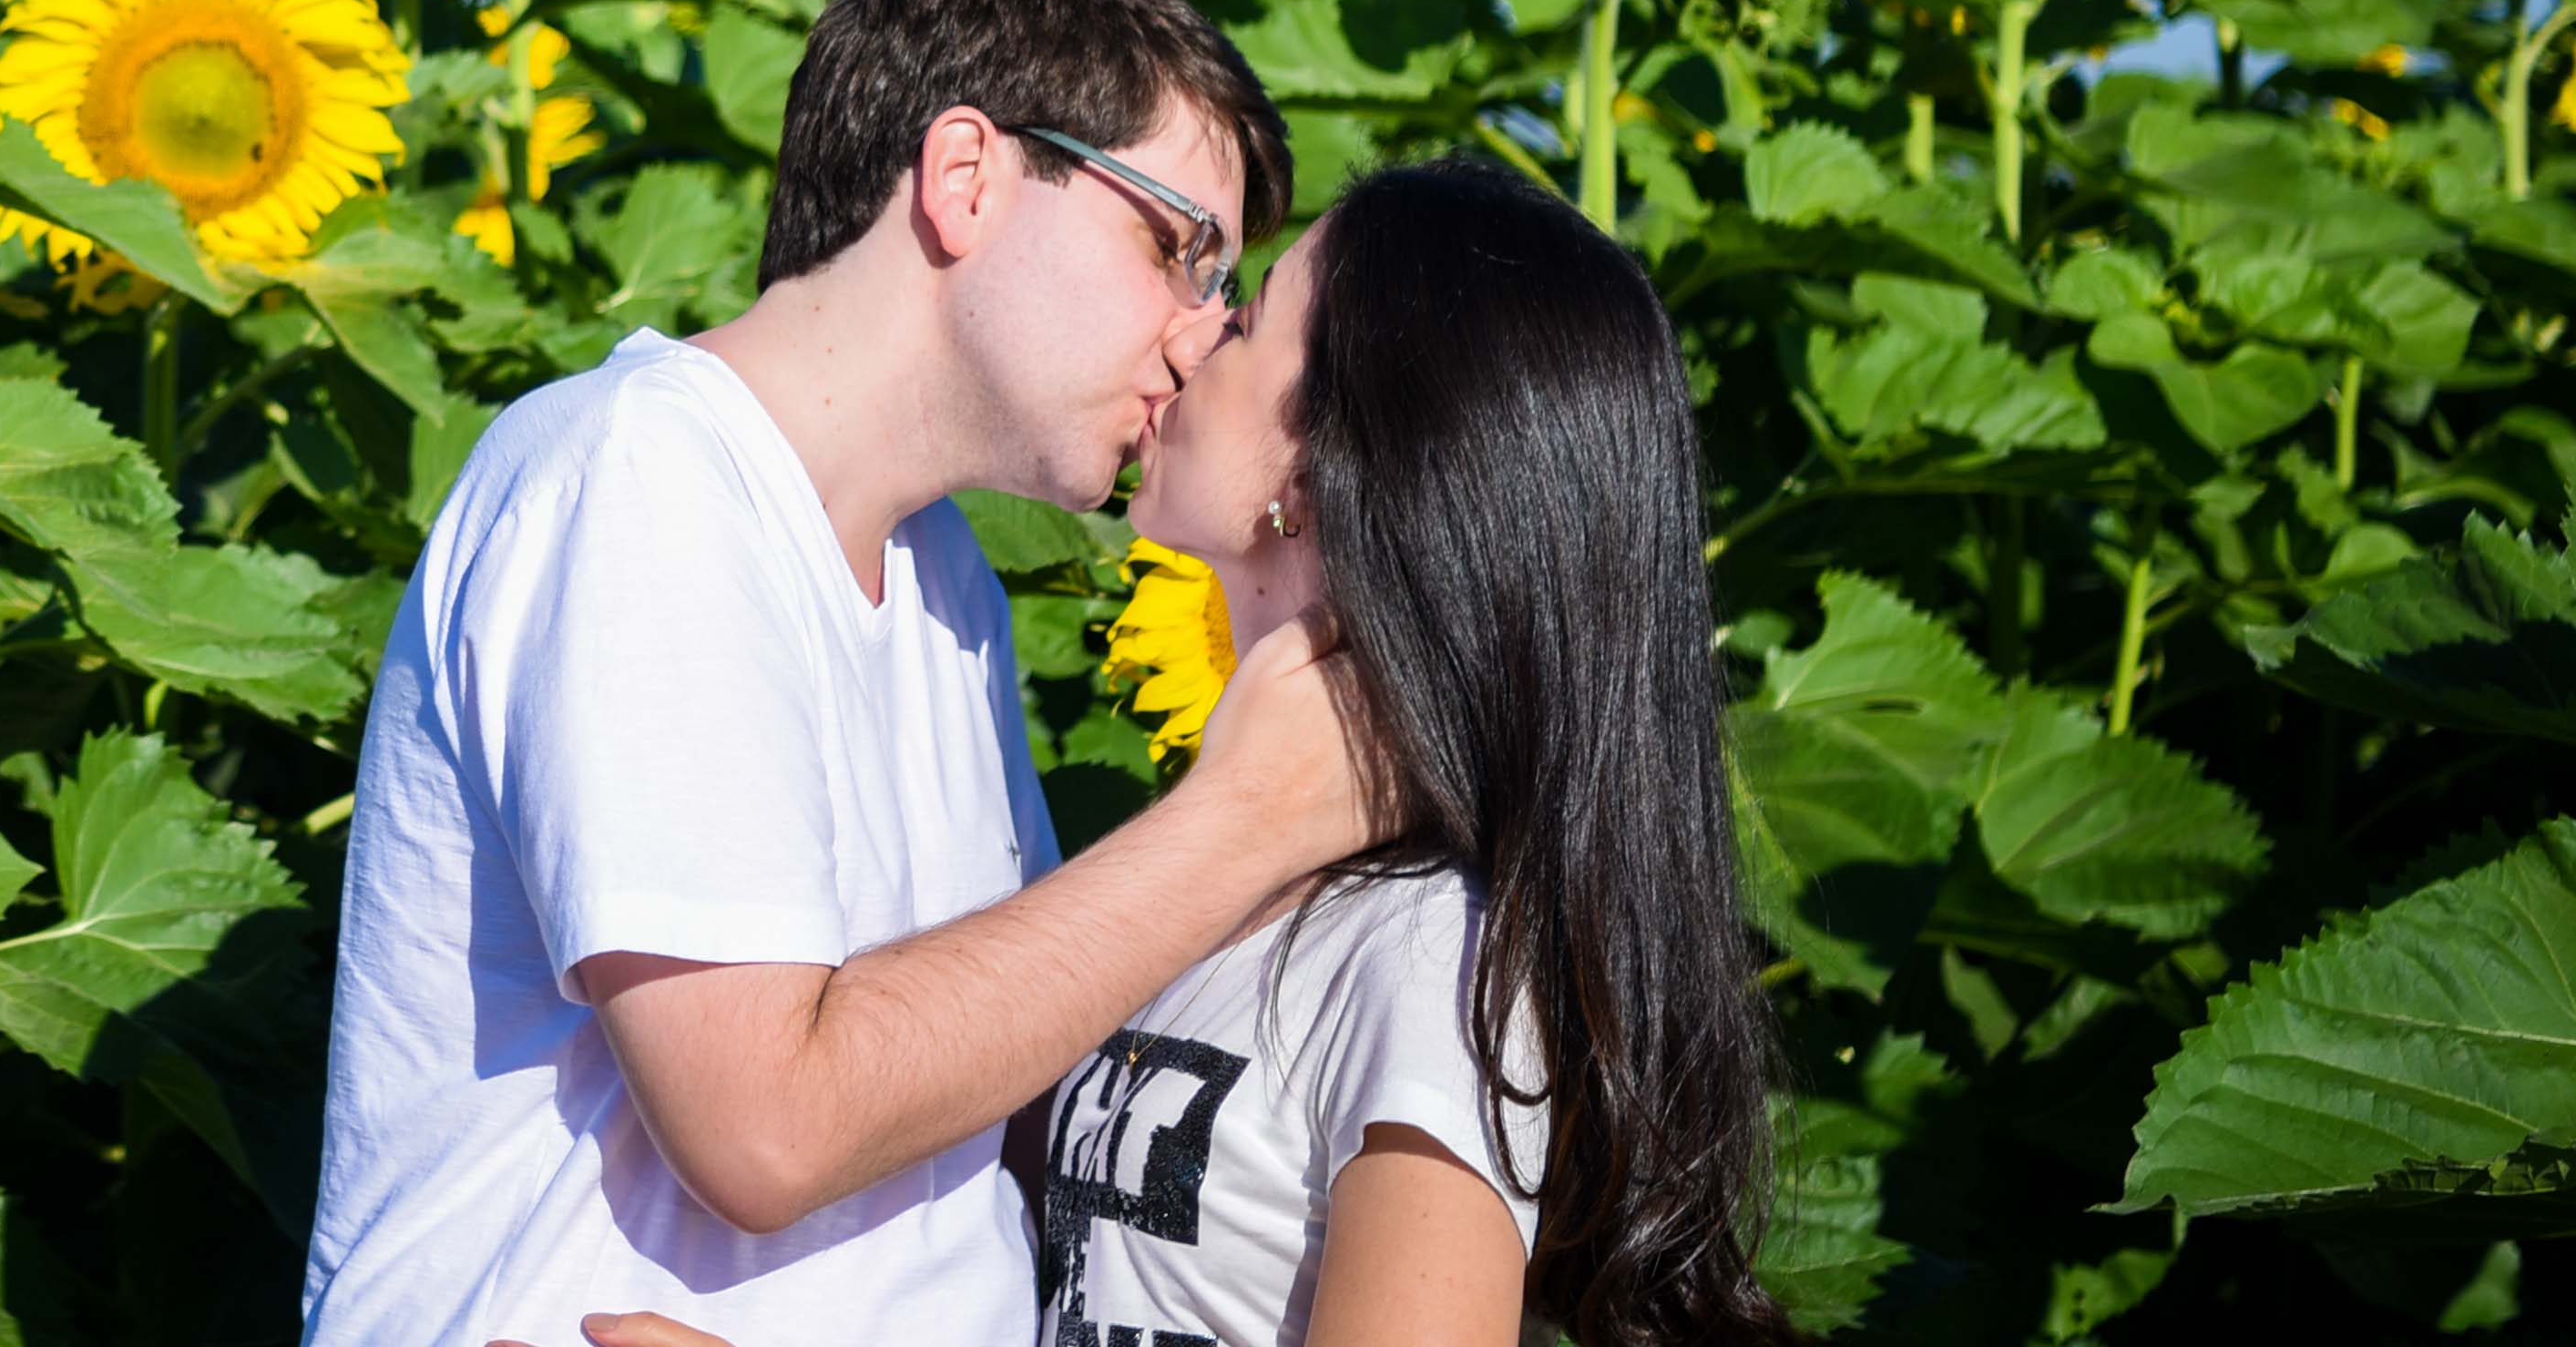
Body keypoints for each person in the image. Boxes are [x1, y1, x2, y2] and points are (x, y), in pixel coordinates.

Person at [306, 0, 1377, 1347]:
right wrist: (1252, 815)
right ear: (965, 176)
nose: (1199, 335)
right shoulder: (642, 477)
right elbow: (767, 1127)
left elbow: (999, 1061)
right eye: (1181, 249)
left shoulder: (943, 581)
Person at [538, 156, 1799, 1347]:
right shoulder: (1216, 896)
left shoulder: (1431, 956)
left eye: (1247, 325)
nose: (1193, 333)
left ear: (1318, 478)